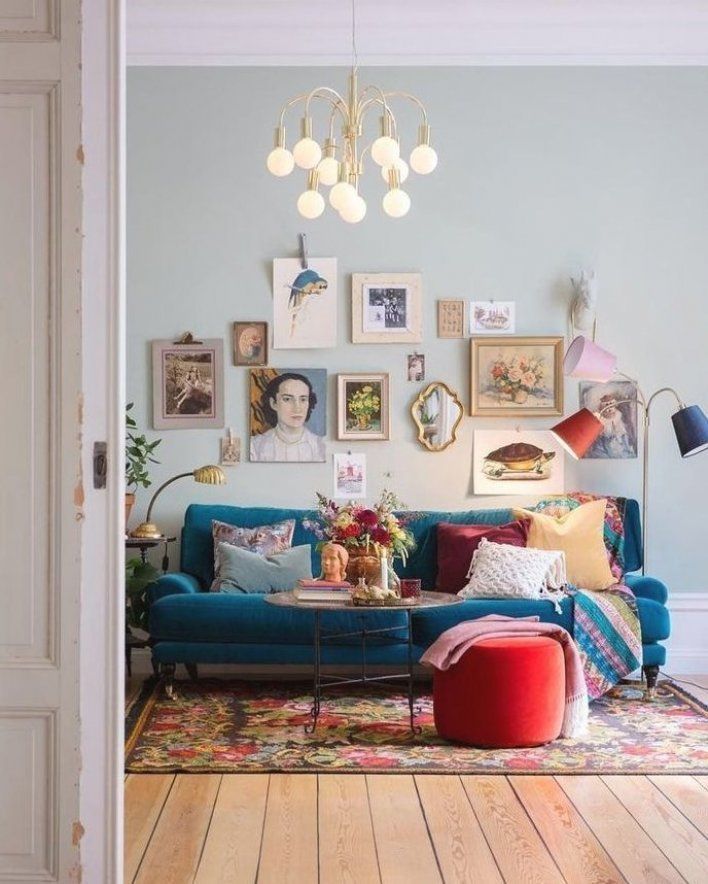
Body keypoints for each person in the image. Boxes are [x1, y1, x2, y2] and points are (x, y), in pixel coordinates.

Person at [250, 372, 326, 462]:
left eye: (303, 399)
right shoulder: (255, 446)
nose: (297, 408)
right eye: (287, 399)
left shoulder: (321, 446)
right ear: (273, 403)